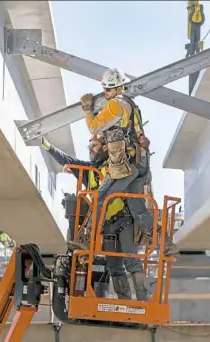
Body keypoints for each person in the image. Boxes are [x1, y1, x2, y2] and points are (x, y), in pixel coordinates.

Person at [78, 67, 179, 257]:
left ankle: (86, 239)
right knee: (137, 207)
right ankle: (165, 243)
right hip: (141, 162)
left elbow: (93, 126)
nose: (106, 94)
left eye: (107, 90)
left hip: (126, 164)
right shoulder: (132, 105)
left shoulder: (114, 105)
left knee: (101, 197)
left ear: (116, 88)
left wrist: (87, 109)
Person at [41, 134, 149, 301]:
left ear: (105, 147)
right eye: (89, 146)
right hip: (106, 226)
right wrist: (46, 145)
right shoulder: (88, 171)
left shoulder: (117, 166)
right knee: (114, 268)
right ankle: (125, 304)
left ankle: (144, 304)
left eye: (94, 145)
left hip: (124, 221)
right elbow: (66, 159)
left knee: (131, 261)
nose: (90, 149)